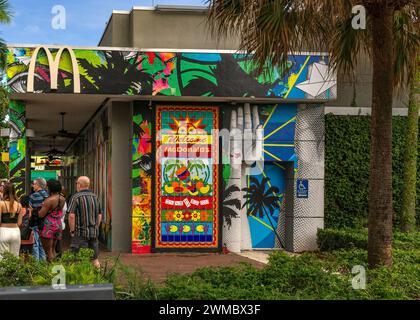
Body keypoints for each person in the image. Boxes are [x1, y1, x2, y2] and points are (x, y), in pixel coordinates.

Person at [68, 176, 102, 268]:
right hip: (94, 233)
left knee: (78, 259)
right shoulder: (95, 197)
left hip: (80, 233)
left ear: (79, 184)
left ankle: (81, 280)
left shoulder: (76, 197)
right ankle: (99, 278)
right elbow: (99, 215)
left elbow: (71, 216)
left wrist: (72, 230)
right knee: (94, 259)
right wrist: (96, 227)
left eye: (76, 183)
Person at [38, 179, 65, 262]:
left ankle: (50, 271)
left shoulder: (49, 200)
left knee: (48, 251)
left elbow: (41, 214)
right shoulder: (62, 198)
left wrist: (38, 209)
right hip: (58, 223)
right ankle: (55, 268)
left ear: (50, 188)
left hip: (48, 225)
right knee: (53, 249)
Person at [0, 183, 24, 258]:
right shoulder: (19, 205)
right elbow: (20, 223)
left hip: (4, 231)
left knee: (3, 257)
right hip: (16, 232)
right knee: (15, 257)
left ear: (4, 191)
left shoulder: (1, 204)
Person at [29, 178, 49, 261]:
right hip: (46, 224)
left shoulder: (34, 195)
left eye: (34, 184)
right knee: (42, 245)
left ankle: (36, 267)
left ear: (38, 185)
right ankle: (43, 265)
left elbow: (29, 208)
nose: (33, 186)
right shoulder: (48, 195)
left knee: (35, 244)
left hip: (36, 223)